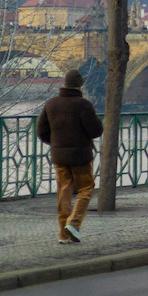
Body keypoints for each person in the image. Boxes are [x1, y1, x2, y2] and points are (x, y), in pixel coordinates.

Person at [36, 69, 102, 244]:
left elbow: (41, 131)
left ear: (64, 84)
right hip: (81, 156)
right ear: (80, 85)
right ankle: (73, 223)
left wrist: (56, 144)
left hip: (59, 156)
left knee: (63, 192)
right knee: (86, 189)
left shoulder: (51, 104)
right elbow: (96, 131)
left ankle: (63, 234)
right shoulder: (84, 105)